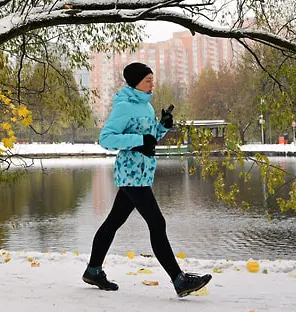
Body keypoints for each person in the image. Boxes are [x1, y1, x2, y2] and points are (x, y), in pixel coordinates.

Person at [82, 62, 212, 297]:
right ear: (135, 83)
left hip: (143, 174)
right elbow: (106, 139)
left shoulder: (147, 106)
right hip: (130, 174)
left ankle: (93, 270)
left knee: (113, 223)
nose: (152, 83)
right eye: (148, 80)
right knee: (157, 223)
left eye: (153, 79)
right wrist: (139, 141)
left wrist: (163, 126)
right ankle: (179, 280)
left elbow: (149, 139)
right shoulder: (124, 106)